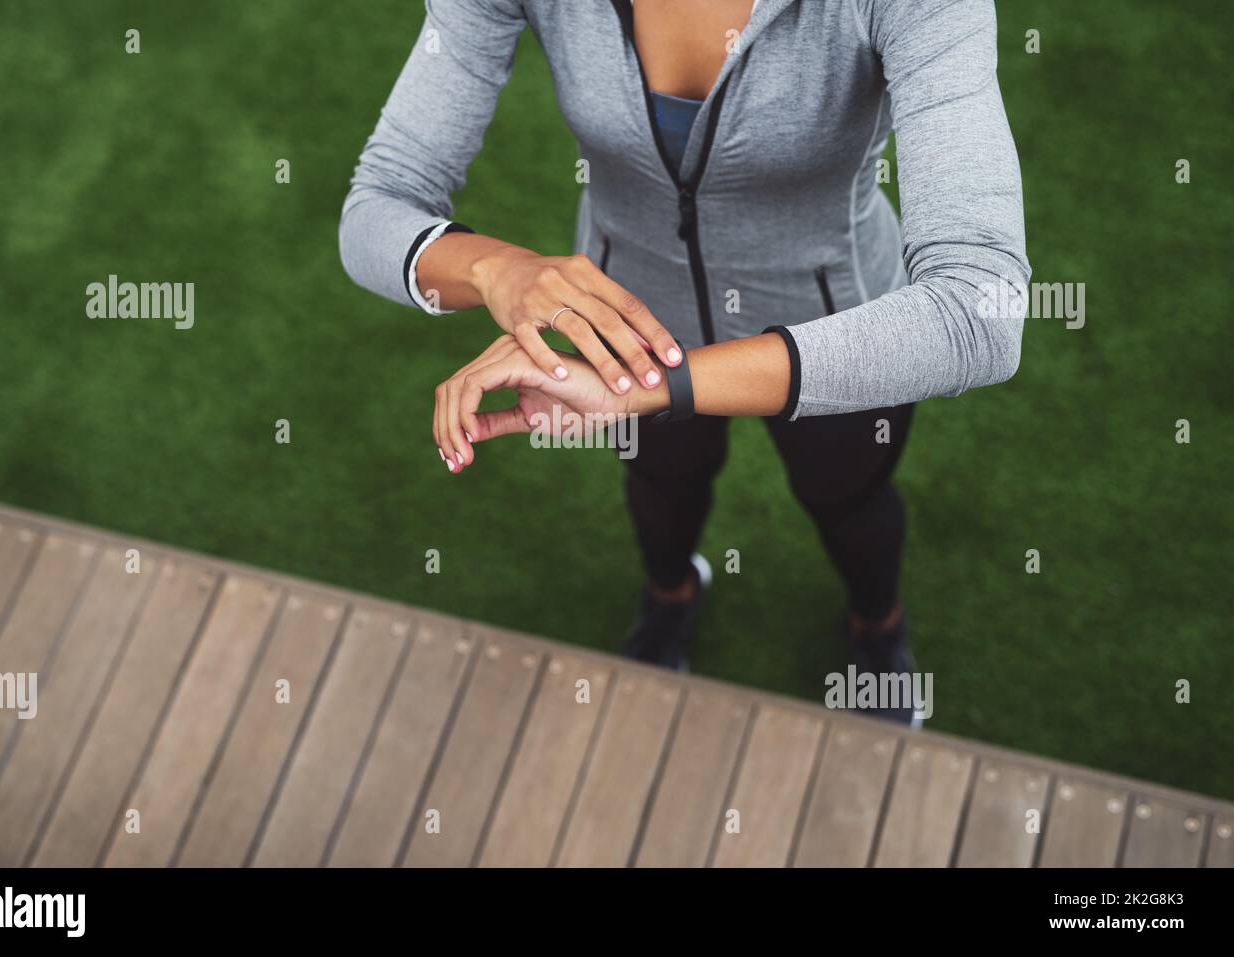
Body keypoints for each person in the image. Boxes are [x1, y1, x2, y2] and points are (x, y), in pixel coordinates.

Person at [341, 0, 1030, 724]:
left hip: (837, 324)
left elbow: (980, 309)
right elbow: (377, 206)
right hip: (631, 320)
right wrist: (494, 269)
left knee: (848, 498)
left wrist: (669, 386)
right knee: (663, 482)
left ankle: (876, 627)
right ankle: (670, 600)